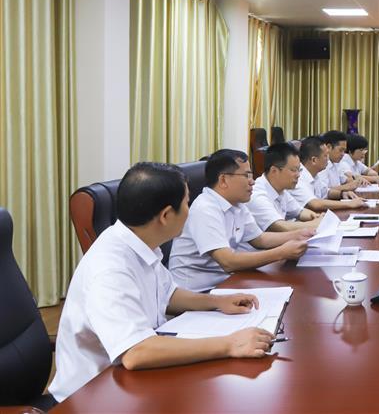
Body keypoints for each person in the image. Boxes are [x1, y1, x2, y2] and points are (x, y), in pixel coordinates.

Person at [49, 163, 277, 403]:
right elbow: (136, 352)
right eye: (187, 202)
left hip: (130, 382)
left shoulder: (140, 243)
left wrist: (217, 302)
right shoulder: (110, 268)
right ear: (166, 216)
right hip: (92, 396)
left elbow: (168, 294)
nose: (190, 209)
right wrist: (230, 344)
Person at [168, 149, 310, 292]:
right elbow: (228, 262)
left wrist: (300, 234)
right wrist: (281, 253)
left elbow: (260, 239)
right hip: (198, 291)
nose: (252, 182)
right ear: (223, 180)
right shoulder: (205, 208)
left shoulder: (237, 204)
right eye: (246, 175)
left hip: (226, 282)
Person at [247, 142, 322, 233]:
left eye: (299, 170)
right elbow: (282, 227)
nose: (298, 175)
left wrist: (315, 216)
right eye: (293, 170)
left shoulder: (281, 190)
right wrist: (317, 223)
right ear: (274, 171)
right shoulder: (257, 195)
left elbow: (300, 212)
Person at [290, 136, 366, 212]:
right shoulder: (298, 177)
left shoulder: (314, 174)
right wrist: (349, 204)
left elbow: (326, 192)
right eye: (325, 156)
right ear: (314, 160)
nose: (328, 159)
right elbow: (315, 204)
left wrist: (342, 194)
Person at [315, 130, 362, 199]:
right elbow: (324, 192)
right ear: (328, 147)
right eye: (340, 150)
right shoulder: (321, 165)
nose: (343, 154)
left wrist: (353, 181)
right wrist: (347, 187)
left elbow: (347, 179)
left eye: (344, 151)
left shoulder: (336, 163)